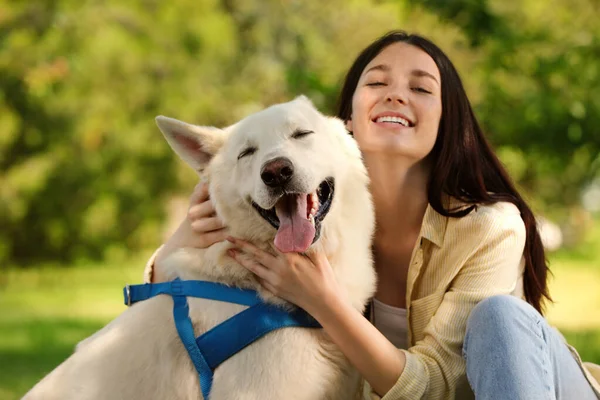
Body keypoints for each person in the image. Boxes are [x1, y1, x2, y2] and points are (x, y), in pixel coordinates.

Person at [146, 31, 600, 399]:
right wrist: (185, 238)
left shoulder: (491, 226)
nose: (396, 96)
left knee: (499, 316)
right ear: (343, 122)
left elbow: (439, 386)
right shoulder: (303, 220)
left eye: (421, 88)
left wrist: (325, 303)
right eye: (377, 83)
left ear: (449, 120)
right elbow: (169, 310)